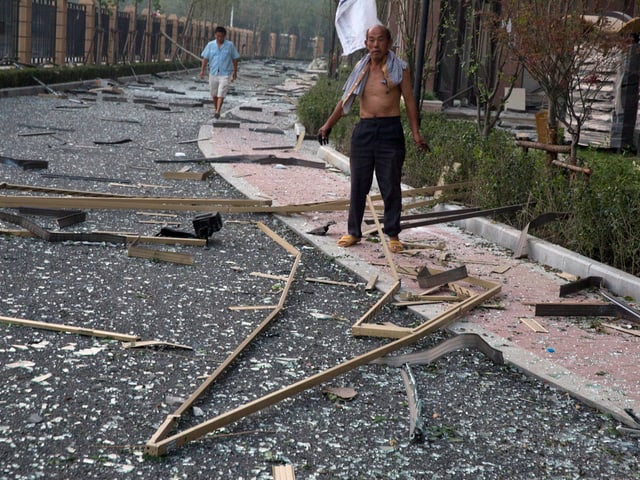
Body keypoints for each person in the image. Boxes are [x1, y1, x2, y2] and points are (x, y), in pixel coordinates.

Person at [318, 24, 429, 253]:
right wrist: (328, 124)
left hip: (390, 131)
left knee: (390, 185)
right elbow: (346, 98)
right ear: (366, 43)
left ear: (388, 42)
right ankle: (353, 232)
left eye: (380, 40)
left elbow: (409, 101)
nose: (375, 44)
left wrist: (416, 133)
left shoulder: (400, 69)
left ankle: (393, 234)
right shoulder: (361, 68)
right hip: (364, 131)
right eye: (371, 40)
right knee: (359, 184)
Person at [200, 26, 240, 118]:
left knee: (221, 92)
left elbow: (235, 59)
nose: (219, 38)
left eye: (221, 36)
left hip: (226, 73)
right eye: (218, 36)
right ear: (215, 35)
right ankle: (216, 108)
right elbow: (205, 58)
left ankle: (217, 111)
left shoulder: (230, 45)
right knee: (214, 93)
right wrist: (202, 70)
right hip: (213, 72)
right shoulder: (210, 45)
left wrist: (235, 71)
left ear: (224, 36)